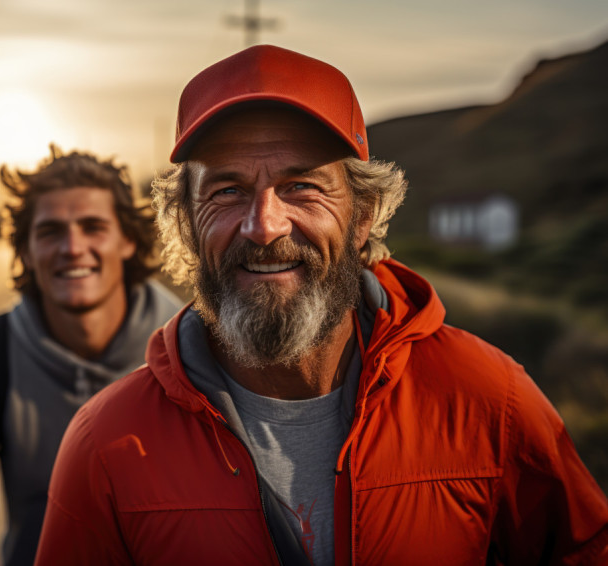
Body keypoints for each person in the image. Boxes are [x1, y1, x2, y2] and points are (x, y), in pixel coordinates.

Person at [34, 46, 608, 565]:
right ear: (183, 222)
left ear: (363, 215)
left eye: (302, 185)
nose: (264, 226)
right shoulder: (106, 443)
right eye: (227, 190)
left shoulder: (490, 400)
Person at [0, 145, 182, 566]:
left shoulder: (192, 345)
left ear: (128, 241)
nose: (72, 247)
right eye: (50, 231)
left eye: (93, 226)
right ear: (26, 250)